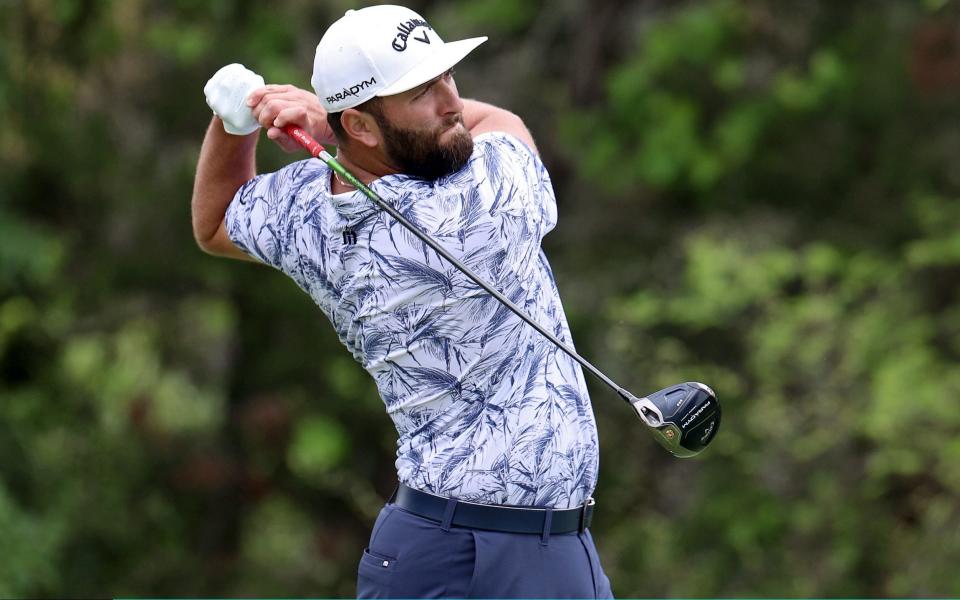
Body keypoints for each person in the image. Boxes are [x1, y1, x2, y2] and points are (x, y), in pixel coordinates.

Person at [192, 5, 613, 598]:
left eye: (447, 78)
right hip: (521, 556)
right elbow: (503, 121)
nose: (449, 103)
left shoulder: (306, 211)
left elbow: (214, 223)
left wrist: (232, 123)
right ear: (363, 125)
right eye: (421, 92)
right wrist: (326, 121)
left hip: (425, 549)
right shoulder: (486, 197)